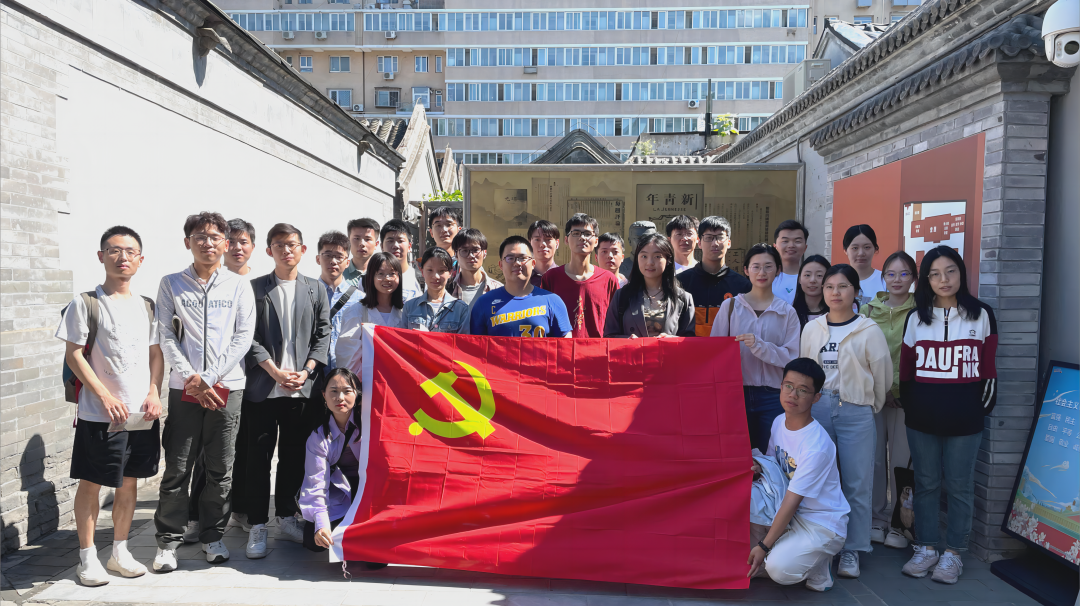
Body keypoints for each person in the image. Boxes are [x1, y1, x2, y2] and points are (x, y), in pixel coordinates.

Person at [57, 226, 163, 586]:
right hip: (99, 414)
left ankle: (120, 552)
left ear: (140, 260)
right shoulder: (86, 302)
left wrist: (154, 390)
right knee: (91, 484)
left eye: (130, 252)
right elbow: (73, 354)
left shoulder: (147, 306)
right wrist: (102, 394)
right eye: (115, 251)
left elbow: (155, 353)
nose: (123, 258)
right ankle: (87, 559)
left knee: (129, 483)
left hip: (139, 413)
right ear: (101, 256)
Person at [154, 212, 255, 571]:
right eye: (200, 236)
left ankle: (213, 536)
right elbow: (165, 334)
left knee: (220, 468)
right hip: (185, 389)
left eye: (215, 237)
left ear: (226, 245)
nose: (208, 243)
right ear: (187, 242)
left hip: (228, 387)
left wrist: (210, 376)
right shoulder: (171, 283)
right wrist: (190, 377)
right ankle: (168, 541)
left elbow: (244, 336)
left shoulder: (239, 285)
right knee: (178, 466)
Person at [899, 246, 997, 585]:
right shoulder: (916, 317)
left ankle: (953, 553)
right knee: (926, 484)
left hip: (965, 419)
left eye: (951, 271)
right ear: (926, 279)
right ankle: (926, 547)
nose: (944, 279)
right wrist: (913, 407)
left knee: (959, 486)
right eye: (936, 273)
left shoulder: (981, 314)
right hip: (922, 418)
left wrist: (977, 410)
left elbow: (989, 370)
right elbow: (907, 373)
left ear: (961, 273)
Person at [237, 223, 330, 560]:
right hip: (263, 388)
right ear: (269, 250)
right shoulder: (255, 288)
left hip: (302, 390)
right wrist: (274, 371)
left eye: (292, 245)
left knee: (294, 457)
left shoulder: (315, 289)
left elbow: (323, 334)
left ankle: (286, 517)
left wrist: (306, 372)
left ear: (303, 250)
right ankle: (258, 524)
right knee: (257, 459)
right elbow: (247, 336)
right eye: (279, 245)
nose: (286, 251)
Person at [799, 263, 892, 579]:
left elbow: (882, 377)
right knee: (820, 482)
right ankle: (823, 547)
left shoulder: (869, 329)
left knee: (856, 483)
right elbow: (805, 373)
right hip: (820, 408)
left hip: (855, 411)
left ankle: (852, 550)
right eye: (829, 287)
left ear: (855, 292)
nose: (834, 293)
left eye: (842, 286)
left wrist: (867, 406)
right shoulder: (812, 328)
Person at [747, 358, 850, 593]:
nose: (793, 394)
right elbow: (773, 465)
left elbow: (793, 501)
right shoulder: (778, 421)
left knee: (777, 569)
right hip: (789, 507)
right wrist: (759, 466)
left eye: (802, 390)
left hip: (820, 522)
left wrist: (764, 545)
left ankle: (820, 566)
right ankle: (787, 548)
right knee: (747, 492)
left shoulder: (816, 445)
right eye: (788, 386)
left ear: (816, 397)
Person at [711, 244, 800, 453]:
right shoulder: (730, 306)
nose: (762, 273)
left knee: (771, 457)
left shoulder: (787, 312)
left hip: (773, 396)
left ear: (778, 270)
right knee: (736, 455)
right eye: (756, 266)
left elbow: (791, 358)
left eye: (768, 267)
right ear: (745, 269)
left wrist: (760, 346)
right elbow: (715, 351)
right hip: (735, 393)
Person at [861, 251, 917, 550]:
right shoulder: (868, 311)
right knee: (873, 459)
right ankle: (875, 519)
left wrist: (899, 389)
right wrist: (881, 389)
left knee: (899, 461)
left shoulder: (922, 311)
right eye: (891, 274)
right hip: (874, 396)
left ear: (914, 279)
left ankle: (899, 521)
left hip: (906, 399)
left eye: (904, 274)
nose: (897, 280)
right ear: (883, 278)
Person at [471, 236, 572, 338]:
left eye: (523, 258)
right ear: (501, 265)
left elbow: (565, 348)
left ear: (533, 263)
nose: (517, 263)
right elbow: (476, 348)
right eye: (510, 258)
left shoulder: (553, 301)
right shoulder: (483, 303)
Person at [541, 214, 619, 338]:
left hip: (598, 353)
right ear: (566, 240)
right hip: (562, 353)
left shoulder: (609, 280)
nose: (582, 238)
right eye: (576, 233)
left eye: (588, 234)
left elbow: (618, 323)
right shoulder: (551, 278)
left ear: (596, 241)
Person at [603, 233, 695, 338]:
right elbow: (609, 336)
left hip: (668, 354)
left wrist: (673, 340)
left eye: (657, 256)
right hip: (632, 354)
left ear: (668, 260)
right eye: (644, 256)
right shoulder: (622, 295)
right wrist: (627, 340)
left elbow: (689, 342)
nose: (650, 262)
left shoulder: (683, 298)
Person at [677, 216, 752, 336]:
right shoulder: (680, 282)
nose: (714, 243)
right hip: (689, 351)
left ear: (729, 242)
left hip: (726, 353)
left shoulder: (743, 286)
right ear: (699, 242)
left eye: (720, 237)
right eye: (709, 238)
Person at [336, 252, 407, 372]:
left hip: (397, 382)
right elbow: (347, 358)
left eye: (392, 274)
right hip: (367, 383)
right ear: (371, 277)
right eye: (380, 274)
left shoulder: (405, 312)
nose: (387, 278)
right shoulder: (356, 312)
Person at [315, 231, 360, 371]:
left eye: (339, 257)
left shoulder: (360, 299)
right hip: (313, 372)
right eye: (327, 255)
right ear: (318, 259)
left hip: (348, 372)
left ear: (347, 262)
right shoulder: (306, 293)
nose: (333, 261)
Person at [405, 247, 471, 333]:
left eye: (441, 271)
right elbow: (403, 342)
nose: (435, 276)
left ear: (450, 273)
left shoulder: (461, 309)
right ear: (422, 272)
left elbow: (462, 344)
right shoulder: (410, 307)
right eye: (430, 270)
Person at [448, 228, 503, 315]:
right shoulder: (447, 289)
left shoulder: (499, 289)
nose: (471, 255)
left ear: (484, 253)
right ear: (456, 254)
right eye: (465, 251)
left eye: (476, 250)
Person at [380, 219, 424, 302]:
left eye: (400, 241)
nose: (395, 246)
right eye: (390, 241)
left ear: (410, 246)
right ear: (382, 246)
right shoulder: (370, 278)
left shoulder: (422, 278)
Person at [843, 225, 882, 307]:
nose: (861, 253)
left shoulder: (885, 281)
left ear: (875, 249)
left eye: (867, 247)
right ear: (845, 250)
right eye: (855, 248)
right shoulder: (836, 281)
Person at [772, 220, 808, 304]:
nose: (791, 245)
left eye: (797, 241)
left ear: (805, 248)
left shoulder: (811, 279)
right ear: (775, 247)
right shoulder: (767, 277)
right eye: (785, 241)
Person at [792, 256, 831, 329]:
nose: (812, 280)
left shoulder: (835, 313)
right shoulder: (790, 313)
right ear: (799, 279)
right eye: (807, 275)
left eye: (819, 275)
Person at [342, 218, 381, 290]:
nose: (362, 244)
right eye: (357, 238)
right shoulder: (339, 272)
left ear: (376, 244)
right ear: (348, 242)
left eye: (367, 239)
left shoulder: (383, 273)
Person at [527, 219, 560, 288]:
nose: (543, 244)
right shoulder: (522, 278)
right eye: (537, 239)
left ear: (557, 243)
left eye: (548, 239)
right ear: (529, 244)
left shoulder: (564, 277)